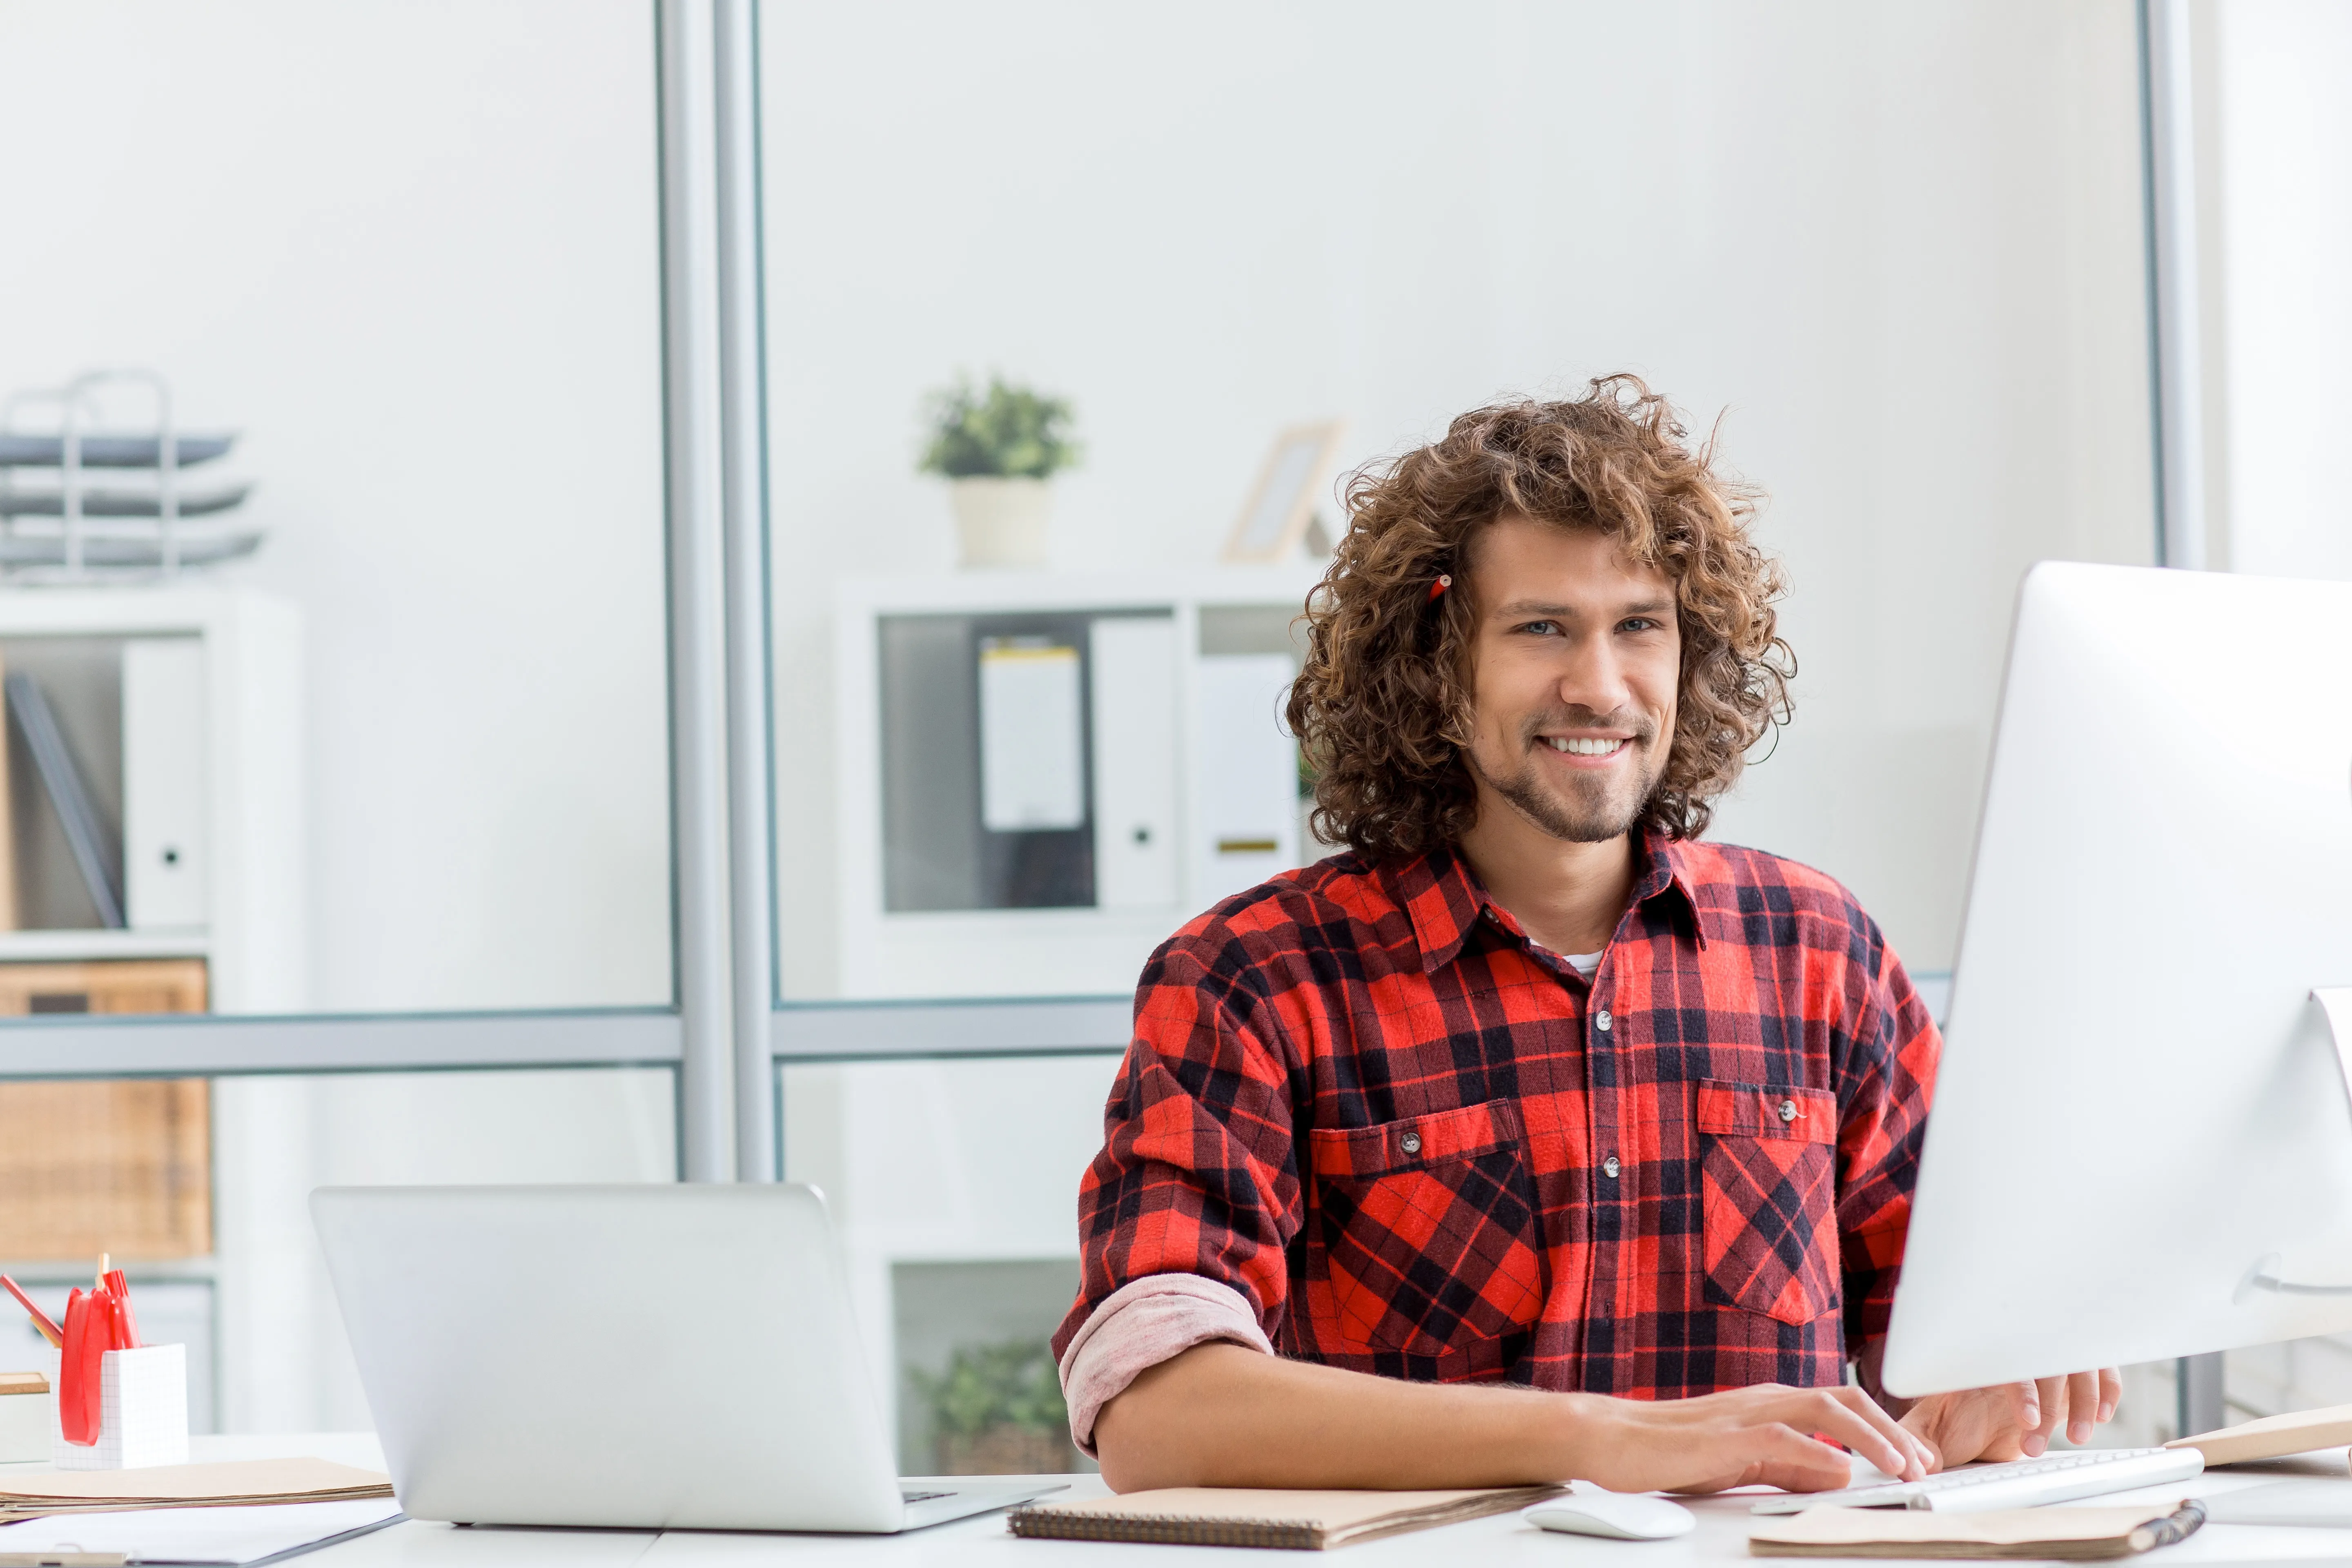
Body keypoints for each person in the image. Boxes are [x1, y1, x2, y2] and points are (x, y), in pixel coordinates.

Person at [1049, 377, 2118, 1496]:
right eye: (1541, 628)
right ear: (1433, 669)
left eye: (1639, 628)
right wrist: (1599, 1441)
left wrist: (1996, 1380)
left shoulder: (1820, 951)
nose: (1599, 686)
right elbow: (1155, 1412)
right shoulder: (1254, 981)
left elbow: (1935, 1357)